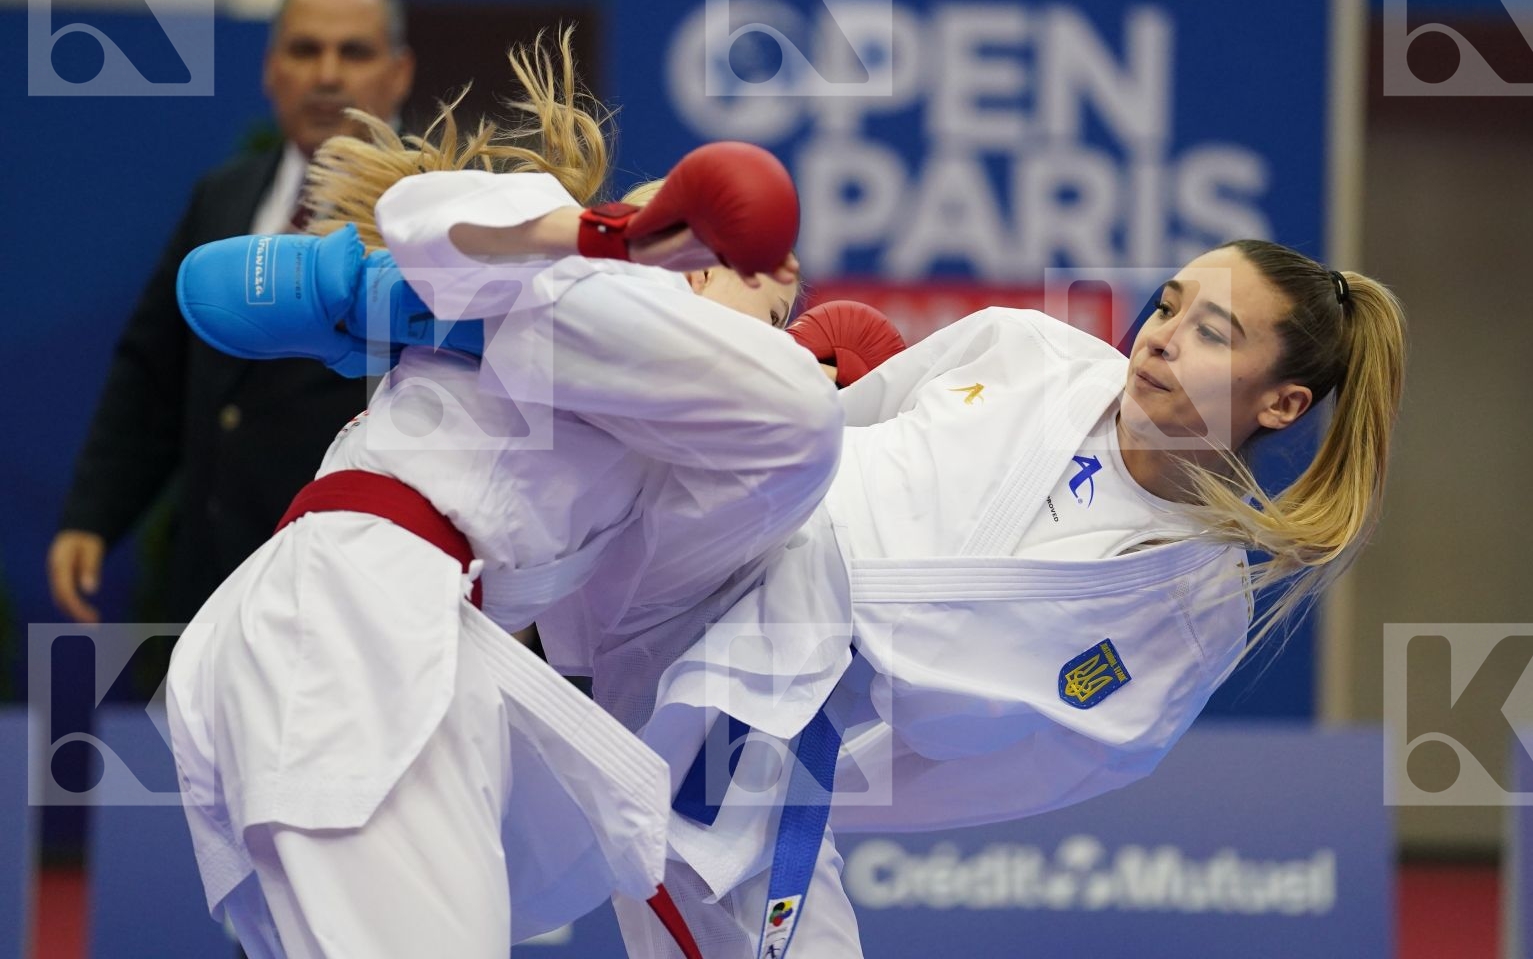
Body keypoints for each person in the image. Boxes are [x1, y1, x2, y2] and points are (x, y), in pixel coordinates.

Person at [176, 215, 1408, 958]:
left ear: (1281, 404)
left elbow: (1020, 761)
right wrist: (804, 366)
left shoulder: (1186, 605)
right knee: (734, 389)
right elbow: (812, 418)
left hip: (771, 729)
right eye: (1167, 303)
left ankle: (458, 308)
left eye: (1211, 332)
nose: (1157, 333)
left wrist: (825, 758)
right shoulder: (1028, 352)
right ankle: (404, 298)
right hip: (691, 553)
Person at [165, 32, 845, 958]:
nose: (773, 307)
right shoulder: (533, 254)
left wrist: (441, 319)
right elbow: (375, 232)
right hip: (354, 623)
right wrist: (597, 243)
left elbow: (788, 425)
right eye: (721, 260)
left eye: (775, 315)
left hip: (409, 645)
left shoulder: (677, 442)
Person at [47, 0, 414, 626]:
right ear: (272, 69)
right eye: (305, 50)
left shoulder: (438, 214)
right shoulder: (223, 196)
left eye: (353, 52)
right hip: (216, 586)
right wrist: (94, 516)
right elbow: (154, 371)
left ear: (399, 74)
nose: (327, 75)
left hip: (369, 596)